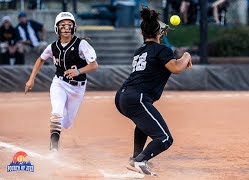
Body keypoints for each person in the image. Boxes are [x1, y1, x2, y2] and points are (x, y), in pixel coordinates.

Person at [114, 7, 192, 176]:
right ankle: (139, 161)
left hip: (122, 96)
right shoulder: (162, 50)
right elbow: (177, 68)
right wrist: (186, 55)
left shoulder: (140, 50)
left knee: (142, 125)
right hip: (137, 97)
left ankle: (136, 158)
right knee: (164, 138)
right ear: (158, 32)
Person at [25, 12, 99, 151]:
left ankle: (59, 124)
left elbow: (94, 65)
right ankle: (54, 146)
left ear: (74, 28)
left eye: (69, 25)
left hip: (77, 88)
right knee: (57, 113)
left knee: (67, 123)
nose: (66, 28)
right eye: (62, 25)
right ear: (57, 28)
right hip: (59, 83)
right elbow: (40, 59)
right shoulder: (53, 47)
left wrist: (78, 71)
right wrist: (31, 79)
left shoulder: (81, 44)